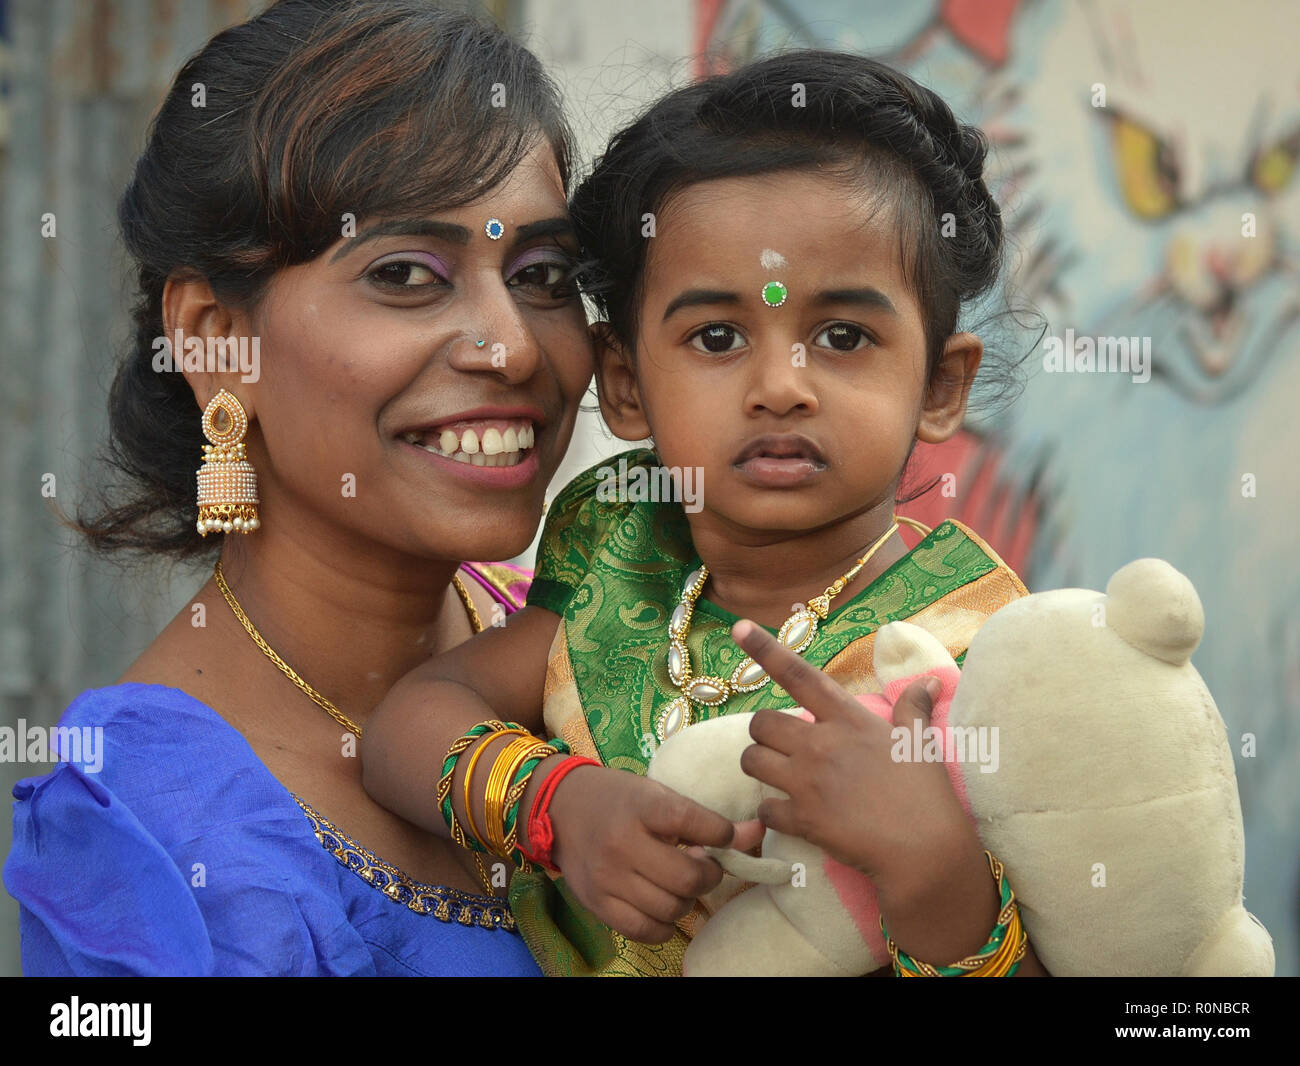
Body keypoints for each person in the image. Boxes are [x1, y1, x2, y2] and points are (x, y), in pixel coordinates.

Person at [361, 50, 1049, 976]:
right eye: (716, 337)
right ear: (627, 385)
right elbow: (412, 719)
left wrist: (930, 868)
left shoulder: (975, 654)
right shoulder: (619, 556)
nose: (779, 387)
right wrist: (558, 803)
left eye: (842, 336)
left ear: (939, 383)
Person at [3, 0, 617, 976]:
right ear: (213, 337)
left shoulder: (580, 647)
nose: (509, 346)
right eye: (408, 273)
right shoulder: (148, 835)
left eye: (543, 273)